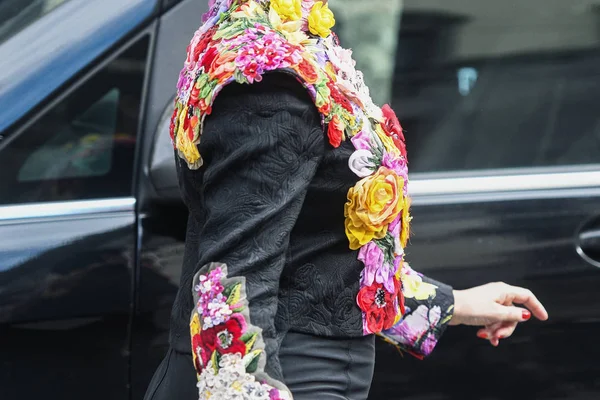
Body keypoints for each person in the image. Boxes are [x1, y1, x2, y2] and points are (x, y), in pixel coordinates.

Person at [144, 1, 549, 399]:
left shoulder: (280, 35)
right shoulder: (269, 75)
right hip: (286, 373)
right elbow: (236, 287)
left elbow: (315, 254)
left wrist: (451, 304)